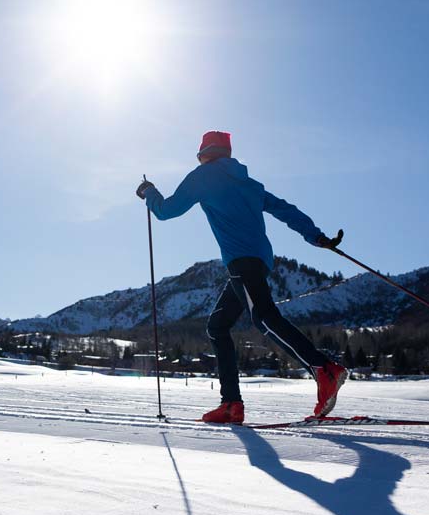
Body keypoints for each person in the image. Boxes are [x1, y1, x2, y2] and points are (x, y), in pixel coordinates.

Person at [136, 131, 347, 424]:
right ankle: (231, 404)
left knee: (263, 317)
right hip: (259, 261)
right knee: (217, 325)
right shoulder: (250, 184)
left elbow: (166, 211)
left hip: (241, 261)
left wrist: (149, 193)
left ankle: (324, 368)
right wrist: (315, 236)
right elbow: (286, 210)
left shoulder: (203, 177)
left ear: (204, 153)